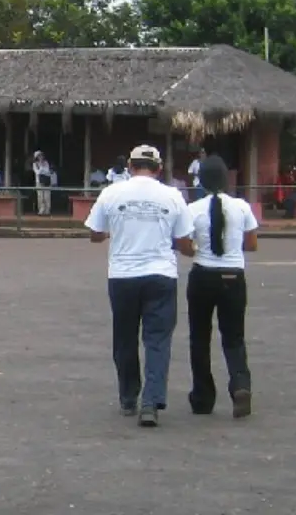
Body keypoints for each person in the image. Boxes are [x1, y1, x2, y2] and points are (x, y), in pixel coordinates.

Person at [84, 144, 195, 427]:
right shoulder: (172, 196)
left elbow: (95, 234)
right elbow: (184, 240)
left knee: (125, 338)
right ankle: (151, 401)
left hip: (122, 275)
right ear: (158, 169)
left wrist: (114, 231)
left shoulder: (111, 193)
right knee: (157, 340)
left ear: (130, 168)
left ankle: (128, 397)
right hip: (160, 275)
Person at [184, 155, 258, 418]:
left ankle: (203, 397)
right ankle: (240, 384)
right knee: (234, 337)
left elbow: (184, 243)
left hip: (203, 275)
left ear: (201, 181)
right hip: (234, 276)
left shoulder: (192, 210)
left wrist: (195, 249)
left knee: (199, 338)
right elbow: (251, 244)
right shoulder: (241, 207)